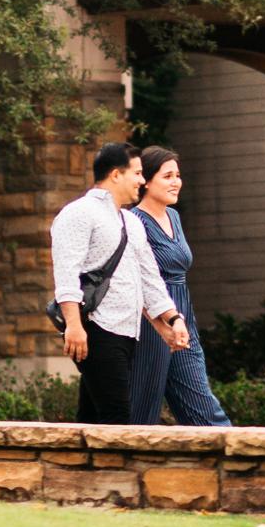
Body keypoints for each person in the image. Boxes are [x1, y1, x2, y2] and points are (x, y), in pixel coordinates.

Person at [50, 142, 190, 424]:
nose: (142, 180)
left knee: (92, 419)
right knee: (117, 419)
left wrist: (172, 320)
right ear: (116, 174)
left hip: (126, 332)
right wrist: (74, 326)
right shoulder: (78, 213)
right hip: (96, 328)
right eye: (137, 173)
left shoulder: (131, 222)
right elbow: (66, 274)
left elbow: (149, 279)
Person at [128, 144, 231, 427]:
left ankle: (227, 450)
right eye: (167, 176)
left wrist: (179, 319)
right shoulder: (135, 222)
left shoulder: (173, 216)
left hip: (184, 317)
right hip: (152, 323)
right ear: (146, 181)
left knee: (203, 408)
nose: (176, 182)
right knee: (142, 410)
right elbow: (138, 279)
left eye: (177, 175)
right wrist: (165, 320)